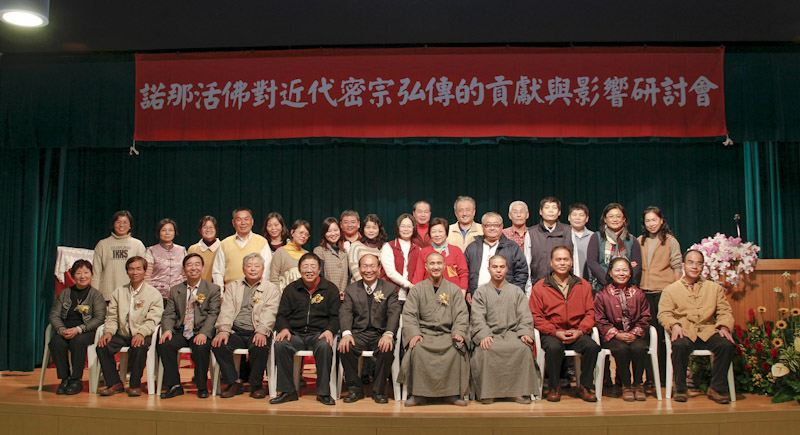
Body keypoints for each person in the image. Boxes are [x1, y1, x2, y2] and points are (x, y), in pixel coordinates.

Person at [658, 250, 736, 404]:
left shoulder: (714, 288)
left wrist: (724, 327)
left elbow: (725, 311)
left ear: (703, 267)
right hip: (685, 330)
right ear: (684, 265)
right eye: (691, 263)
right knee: (680, 345)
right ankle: (680, 388)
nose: (694, 266)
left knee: (726, 345)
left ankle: (717, 388)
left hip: (708, 330)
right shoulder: (670, 290)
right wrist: (674, 324)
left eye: (699, 263)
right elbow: (664, 314)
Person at [398, 252, 470, 407]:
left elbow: (462, 315)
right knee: (417, 350)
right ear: (426, 266)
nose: (435, 267)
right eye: (432, 263)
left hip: (448, 334)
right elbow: (409, 314)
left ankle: (453, 394)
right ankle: (418, 394)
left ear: (444, 266)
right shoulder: (417, 289)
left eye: (439, 263)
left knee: (455, 349)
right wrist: (414, 334)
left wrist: (458, 332)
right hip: (424, 335)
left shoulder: (454, 290)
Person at [529, 246, 599, 402]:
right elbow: (535, 315)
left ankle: (585, 386)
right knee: (554, 348)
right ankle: (554, 387)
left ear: (571, 262)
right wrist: (554, 332)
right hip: (552, 332)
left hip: (576, 331)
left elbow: (590, 312)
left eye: (566, 259)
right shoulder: (541, 286)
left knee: (592, 347)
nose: (562, 263)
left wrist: (581, 331)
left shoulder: (583, 285)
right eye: (558, 260)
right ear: (551, 263)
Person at [270, 253, 341, 405]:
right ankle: (288, 391)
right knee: (281, 344)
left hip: (319, 334)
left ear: (319, 269)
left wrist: (329, 330)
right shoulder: (291, 289)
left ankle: (323, 392)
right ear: (299, 270)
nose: (309, 270)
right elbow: (282, 315)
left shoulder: (330, 289)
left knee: (324, 346)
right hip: (295, 334)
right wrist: (284, 329)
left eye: (313, 267)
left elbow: (336, 317)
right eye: (305, 267)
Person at [470, 255, 539, 404]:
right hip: (490, 335)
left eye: (502, 267)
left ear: (507, 269)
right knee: (486, 350)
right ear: (489, 269)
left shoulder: (516, 291)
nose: (498, 270)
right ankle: (488, 393)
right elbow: (477, 317)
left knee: (522, 349)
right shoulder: (481, 292)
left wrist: (525, 333)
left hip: (512, 334)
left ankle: (519, 392)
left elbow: (525, 316)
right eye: (494, 267)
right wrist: (483, 334)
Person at [211, 253, 281, 399]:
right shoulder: (234, 286)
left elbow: (270, 312)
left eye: (257, 266)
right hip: (235, 331)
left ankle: (256, 384)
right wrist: (224, 330)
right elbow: (227, 310)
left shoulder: (271, 289)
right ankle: (233, 382)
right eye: (249, 266)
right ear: (243, 269)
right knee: (219, 344)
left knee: (260, 346)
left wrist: (262, 331)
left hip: (257, 330)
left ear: (263, 269)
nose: (253, 269)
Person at [96, 256, 163, 396]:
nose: (135, 272)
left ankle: (134, 385)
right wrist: (108, 332)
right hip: (122, 333)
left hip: (142, 333)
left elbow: (153, 319)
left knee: (139, 346)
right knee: (102, 346)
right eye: (131, 269)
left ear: (145, 271)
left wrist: (141, 333)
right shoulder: (119, 292)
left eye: (138, 269)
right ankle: (114, 383)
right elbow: (112, 316)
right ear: (127, 271)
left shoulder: (154, 294)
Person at [338, 254, 401, 404]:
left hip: (381, 333)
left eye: (372, 266)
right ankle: (355, 389)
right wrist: (346, 334)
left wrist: (389, 334)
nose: (368, 270)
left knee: (386, 348)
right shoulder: (351, 290)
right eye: (365, 266)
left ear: (379, 268)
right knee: (345, 347)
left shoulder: (390, 289)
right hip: (359, 333)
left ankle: (379, 391)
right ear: (359, 269)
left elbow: (394, 312)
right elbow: (345, 312)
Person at [157, 253, 221, 399]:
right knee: (165, 344)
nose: (193, 268)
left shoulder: (212, 289)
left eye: (197, 264)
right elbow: (169, 313)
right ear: (184, 269)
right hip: (181, 330)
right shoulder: (176, 290)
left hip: (200, 330)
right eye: (189, 265)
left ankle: (202, 386)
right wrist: (167, 330)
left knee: (201, 347)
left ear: (203, 268)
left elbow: (214, 314)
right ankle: (174, 385)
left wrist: (204, 333)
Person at [594, 257, 651, 401]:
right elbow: (600, 319)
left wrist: (635, 333)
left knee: (639, 348)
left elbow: (646, 316)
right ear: (610, 273)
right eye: (617, 270)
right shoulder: (602, 294)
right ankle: (626, 385)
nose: (621, 273)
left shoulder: (638, 293)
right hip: (613, 337)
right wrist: (617, 334)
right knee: (621, 349)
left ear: (630, 273)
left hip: (635, 335)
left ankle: (638, 384)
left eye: (625, 270)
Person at [638, 206, 681, 389]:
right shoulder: (640, 240)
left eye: (654, 220)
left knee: (663, 337)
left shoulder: (670, 241)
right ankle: (650, 377)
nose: (651, 224)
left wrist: (676, 292)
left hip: (664, 292)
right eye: (648, 220)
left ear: (661, 220)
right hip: (644, 292)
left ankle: (664, 377)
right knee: (648, 336)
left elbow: (677, 266)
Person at [48, 259, 106, 395]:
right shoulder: (65, 293)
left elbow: (99, 318)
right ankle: (64, 379)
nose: (82, 276)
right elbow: (54, 315)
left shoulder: (96, 295)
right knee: (56, 342)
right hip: (66, 329)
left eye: (86, 272)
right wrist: (61, 330)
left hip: (86, 331)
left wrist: (79, 329)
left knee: (77, 342)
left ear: (91, 275)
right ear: (73, 276)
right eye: (79, 273)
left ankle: (76, 380)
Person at [464, 213, 528, 303]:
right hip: (477, 297)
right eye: (488, 225)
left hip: (505, 298)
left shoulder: (512, 247)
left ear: (502, 226)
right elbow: (464, 272)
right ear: (482, 227)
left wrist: (514, 294)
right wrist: (468, 291)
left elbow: (522, 273)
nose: (492, 228)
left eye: (495, 225)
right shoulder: (472, 247)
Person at [586, 203, 642, 291]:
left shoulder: (632, 240)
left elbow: (637, 266)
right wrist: (608, 282)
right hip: (602, 288)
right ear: (605, 219)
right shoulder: (596, 237)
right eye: (611, 216)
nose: (615, 219)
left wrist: (625, 283)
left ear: (624, 219)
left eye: (618, 216)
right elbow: (592, 262)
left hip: (627, 288)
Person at [93, 210, 146, 302]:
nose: (121, 225)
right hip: (106, 296)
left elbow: (142, 273)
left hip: (131, 296)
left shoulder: (138, 245)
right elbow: (96, 273)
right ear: (113, 224)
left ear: (130, 226)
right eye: (118, 222)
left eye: (125, 222)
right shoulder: (102, 244)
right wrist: (94, 296)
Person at [212, 208, 272, 288]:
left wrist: (260, 289)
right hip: (230, 291)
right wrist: (220, 292)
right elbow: (218, 272)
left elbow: (266, 270)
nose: (243, 223)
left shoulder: (262, 242)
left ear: (252, 221)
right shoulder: (224, 244)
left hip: (255, 291)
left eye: (246, 219)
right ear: (233, 223)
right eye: (239, 220)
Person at [412, 217, 468, 296]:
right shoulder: (424, 252)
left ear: (446, 233)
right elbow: (418, 275)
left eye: (440, 231)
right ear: (429, 234)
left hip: (453, 294)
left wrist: (462, 291)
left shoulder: (456, 251)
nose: (437, 235)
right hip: (429, 294)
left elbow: (463, 273)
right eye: (433, 232)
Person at [528, 197, 574, 285]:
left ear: (559, 212)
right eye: (547, 207)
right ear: (541, 212)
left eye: (554, 207)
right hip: (539, 282)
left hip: (565, 282)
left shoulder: (568, 230)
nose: (550, 211)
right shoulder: (531, 232)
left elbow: (575, 259)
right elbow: (527, 260)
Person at [145, 218, 187, 302]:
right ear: (158, 232)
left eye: (170, 230)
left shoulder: (182, 250)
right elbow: (147, 275)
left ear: (175, 232)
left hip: (179, 295)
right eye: (163, 230)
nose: (167, 233)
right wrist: (151, 293)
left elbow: (185, 275)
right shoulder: (151, 250)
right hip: (157, 295)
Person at [381, 213, 420, 300]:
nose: (406, 229)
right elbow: (390, 272)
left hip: (411, 297)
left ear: (413, 228)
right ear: (398, 228)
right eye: (403, 226)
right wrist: (409, 285)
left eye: (409, 226)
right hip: (391, 294)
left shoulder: (418, 249)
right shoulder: (388, 247)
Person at [270, 219, 311, 292]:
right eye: (301, 233)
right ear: (292, 232)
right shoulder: (280, 252)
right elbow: (274, 278)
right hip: (284, 296)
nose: (303, 236)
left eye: (306, 234)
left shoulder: (307, 255)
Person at [503, 200, 534, 297]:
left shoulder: (534, 233)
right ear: (510, 216)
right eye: (515, 212)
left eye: (522, 212)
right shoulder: (503, 234)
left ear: (527, 215)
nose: (519, 215)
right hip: (508, 278)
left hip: (531, 278)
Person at [314, 217, 349, 298]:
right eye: (329, 231)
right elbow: (320, 276)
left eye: (335, 230)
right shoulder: (319, 251)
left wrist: (345, 292)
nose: (333, 234)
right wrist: (332, 292)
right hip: (326, 295)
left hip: (344, 296)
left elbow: (348, 276)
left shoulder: (344, 252)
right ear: (324, 233)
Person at [347, 214, 387, 282]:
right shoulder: (356, 246)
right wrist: (366, 285)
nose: (371, 230)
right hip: (358, 285)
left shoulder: (385, 247)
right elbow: (354, 269)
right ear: (363, 229)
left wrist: (376, 286)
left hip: (379, 286)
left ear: (379, 229)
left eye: (374, 228)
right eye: (368, 227)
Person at [187, 216, 221, 283]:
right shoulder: (193, 249)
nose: (208, 230)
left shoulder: (223, 247)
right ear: (200, 230)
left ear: (216, 229)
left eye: (211, 227)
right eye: (205, 227)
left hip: (218, 287)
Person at [568, 203, 594, 280]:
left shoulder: (593, 237)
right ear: (569, 218)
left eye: (581, 215)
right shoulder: (564, 236)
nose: (577, 218)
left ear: (587, 219)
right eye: (574, 215)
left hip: (589, 280)